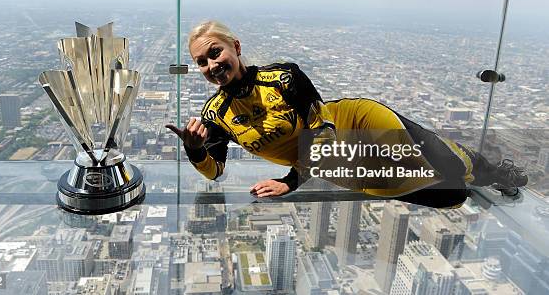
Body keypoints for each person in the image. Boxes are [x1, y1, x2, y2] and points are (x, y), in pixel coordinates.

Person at [166, 21, 528, 208]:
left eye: (216, 53)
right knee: (451, 195)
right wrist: (196, 150)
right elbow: (214, 172)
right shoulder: (215, 115)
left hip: (354, 122)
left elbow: (322, 131)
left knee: (448, 168)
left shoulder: (283, 76)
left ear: (236, 48)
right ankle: (461, 167)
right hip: (337, 164)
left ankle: (497, 172)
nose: (212, 65)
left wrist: (290, 182)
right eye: (201, 62)